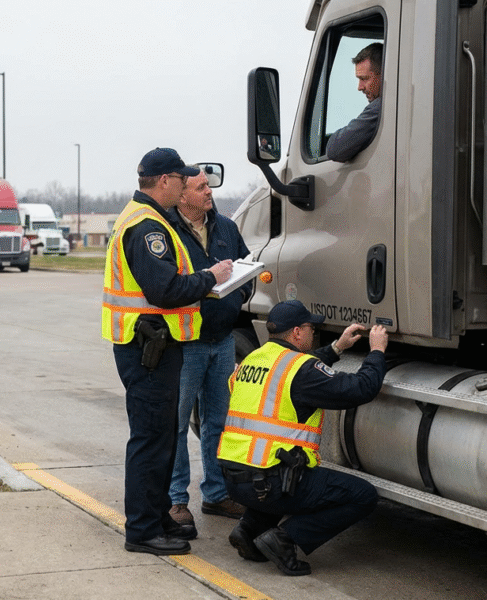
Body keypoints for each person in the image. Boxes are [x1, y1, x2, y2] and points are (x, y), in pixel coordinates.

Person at [102, 147, 233, 556]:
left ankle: (157, 519)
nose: (184, 185)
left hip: (153, 345)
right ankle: (142, 530)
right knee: (151, 440)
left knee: (160, 441)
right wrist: (210, 277)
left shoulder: (151, 219)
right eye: (180, 179)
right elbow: (166, 290)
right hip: (148, 349)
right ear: (164, 181)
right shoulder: (147, 227)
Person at [217, 300, 387, 576]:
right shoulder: (302, 370)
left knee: (283, 471)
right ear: (297, 332)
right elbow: (360, 389)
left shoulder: (253, 359)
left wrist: (337, 347)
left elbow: (297, 371)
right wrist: (377, 351)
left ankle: (248, 531)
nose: (313, 332)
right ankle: (285, 539)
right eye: (310, 327)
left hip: (235, 480)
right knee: (362, 496)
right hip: (269, 482)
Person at [166, 167, 252, 537]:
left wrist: (241, 296)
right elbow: (166, 284)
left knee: (219, 422)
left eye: (208, 185)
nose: (209, 192)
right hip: (184, 345)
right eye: (200, 187)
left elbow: (247, 267)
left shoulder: (226, 228)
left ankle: (217, 494)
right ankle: (175, 500)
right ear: (182, 194)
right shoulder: (165, 231)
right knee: (175, 425)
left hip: (222, 340)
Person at [326, 42, 383, 163]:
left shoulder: (381, 108)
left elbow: (335, 150)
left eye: (364, 79)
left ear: (384, 75)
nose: (360, 87)